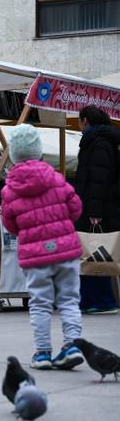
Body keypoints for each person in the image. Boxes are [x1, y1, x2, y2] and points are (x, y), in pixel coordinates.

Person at [1, 124, 85, 370]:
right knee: (69, 300)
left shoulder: (10, 189)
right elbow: (76, 208)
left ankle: (42, 353)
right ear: (38, 151)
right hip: (66, 250)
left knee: (40, 303)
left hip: (35, 255)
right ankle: (72, 345)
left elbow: (10, 224)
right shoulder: (56, 178)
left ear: (14, 153)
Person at [73, 105, 120, 314]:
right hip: (97, 206)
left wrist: (95, 212)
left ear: (85, 120)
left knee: (94, 252)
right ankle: (89, 300)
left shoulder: (99, 142)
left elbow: (98, 179)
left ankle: (101, 301)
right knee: (90, 252)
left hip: (97, 209)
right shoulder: (102, 140)